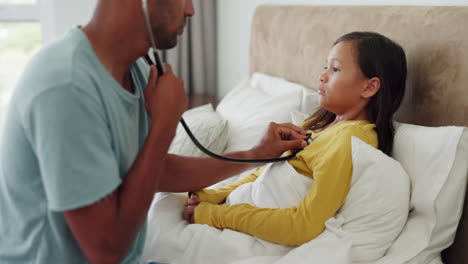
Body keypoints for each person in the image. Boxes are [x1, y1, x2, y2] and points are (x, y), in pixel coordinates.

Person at [0, 0, 309, 263]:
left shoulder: (132, 69)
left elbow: (153, 170)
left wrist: (254, 155)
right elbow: (106, 252)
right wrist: (163, 124)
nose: (191, 10)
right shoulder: (66, 87)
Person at [183, 31, 407, 246]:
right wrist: (214, 195)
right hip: (239, 206)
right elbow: (265, 174)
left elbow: (304, 226)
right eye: (325, 67)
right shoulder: (318, 127)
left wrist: (217, 215)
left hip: (259, 232)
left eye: (335, 69)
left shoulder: (351, 139)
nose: (322, 75)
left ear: (369, 87)